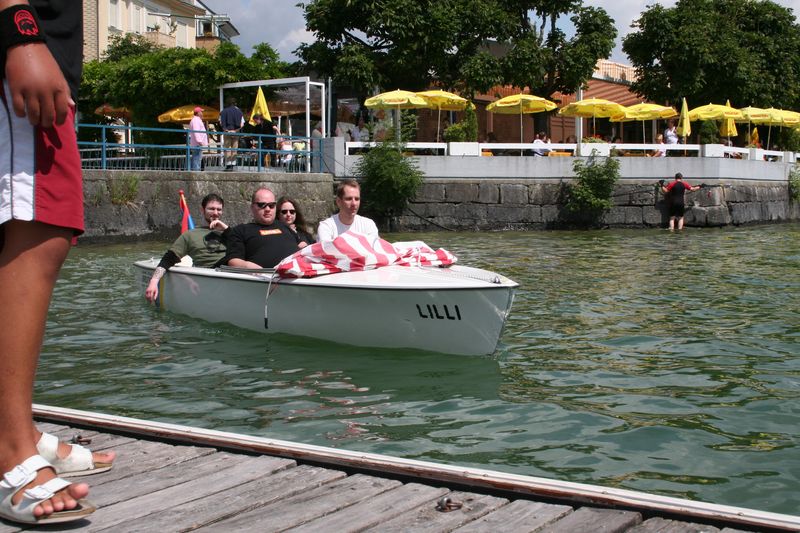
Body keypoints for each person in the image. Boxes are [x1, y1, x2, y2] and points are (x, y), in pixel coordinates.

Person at [0, 0, 108, 524]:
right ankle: (8, 447)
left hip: (37, 45)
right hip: (21, 43)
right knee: (36, 229)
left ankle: (17, 425)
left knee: (35, 228)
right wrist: (18, 30)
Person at [145, 194, 228, 303]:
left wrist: (226, 230)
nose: (216, 213)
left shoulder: (231, 233)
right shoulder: (190, 235)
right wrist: (154, 282)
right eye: (211, 209)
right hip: (209, 275)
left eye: (219, 209)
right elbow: (168, 259)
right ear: (203, 210)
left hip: (234, 272)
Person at [223, 188, 302, 268]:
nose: (267, 209)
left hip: (301, 274)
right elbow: (233, 261)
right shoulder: (241, 230)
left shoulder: (284, 226)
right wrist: (257, 270)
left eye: (271, 205)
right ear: (252, 207)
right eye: (262, 205)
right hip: (264, 277)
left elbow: (302, 245)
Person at [219, 96, 244, 171]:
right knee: (234, 148)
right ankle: (233, 164)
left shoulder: (223, 111)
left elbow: (221, 122)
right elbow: (242, 124)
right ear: (234, 103)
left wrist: (226, 130)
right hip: (236, 132)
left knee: (227, 148)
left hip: (227, 132)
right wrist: (236, 130)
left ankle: (228, 165)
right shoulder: (239, 111)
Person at [188, 106, 208, 171]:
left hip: (197, 143)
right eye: (201, 112)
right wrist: (200, 141)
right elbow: (196, 131)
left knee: (196, 159)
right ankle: (196, 173)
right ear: (198, 113)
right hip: (197, 144)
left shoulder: (196, 120)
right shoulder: (196, 120)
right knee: (196, 159)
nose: (202, 113)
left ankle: (195, 172)